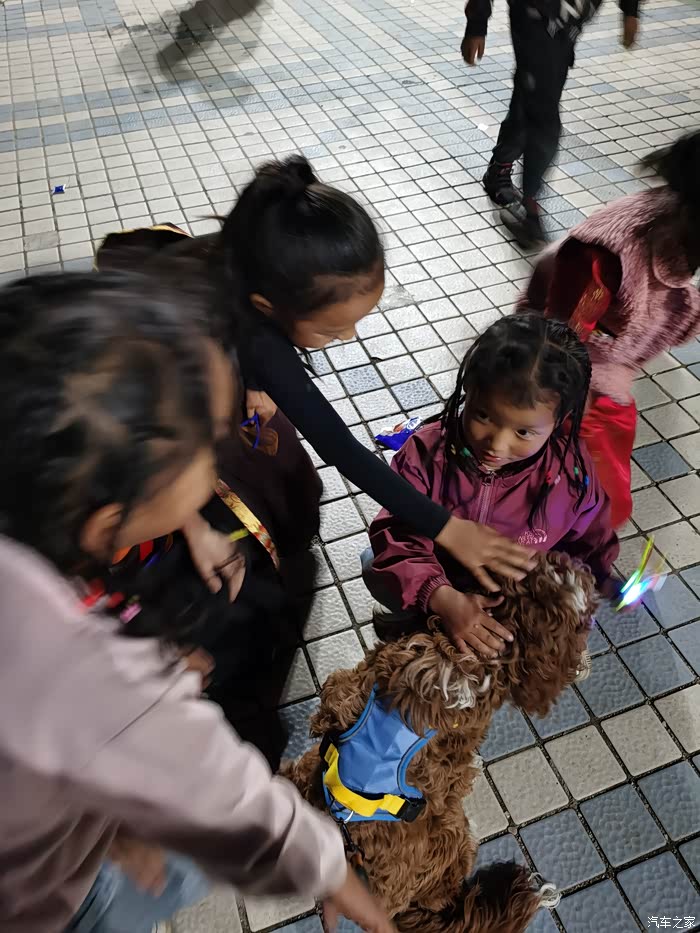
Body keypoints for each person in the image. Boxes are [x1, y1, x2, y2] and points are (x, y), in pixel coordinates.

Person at [0, 272, 395, 933]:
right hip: (41, 899)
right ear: (109, 521)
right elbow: (228, 803)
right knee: (176, 866)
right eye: (208, 446)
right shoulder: (95, 675)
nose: (223, 452)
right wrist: (332, 870)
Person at [96, 155, 537, 596]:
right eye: (330, 329)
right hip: (136, 439)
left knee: (279, 471)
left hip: (207, 366)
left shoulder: (251, 257)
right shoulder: (213, 341)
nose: (348, 336)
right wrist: (446, 527)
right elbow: (338, 445)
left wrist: (254, 383)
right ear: (267, 307)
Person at [363, 314, 619, 676]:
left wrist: (599, 580)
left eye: (524, 432)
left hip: (516, 595)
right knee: (371, 563)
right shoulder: (426, 453)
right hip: (442, 585)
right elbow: (397, 534)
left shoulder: (572, 473)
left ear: (560, 419)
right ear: (469, 388)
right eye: (483, 415)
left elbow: (591, 539)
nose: (497, 445)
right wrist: (441, 597)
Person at [519, 131, 700, 527]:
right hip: (563, 364)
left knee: (591, 487)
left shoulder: (681, 226)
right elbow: (564, 337)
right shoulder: (605, 257)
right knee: (570, 480)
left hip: (595, 362)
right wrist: (570, 409)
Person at [461, 0, 642, 248]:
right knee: (544, 117)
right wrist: (477, 24)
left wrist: (630, 11)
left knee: (531, 98)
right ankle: (530, 212)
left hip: (567, 25)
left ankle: (500, 167)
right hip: (534, 16)